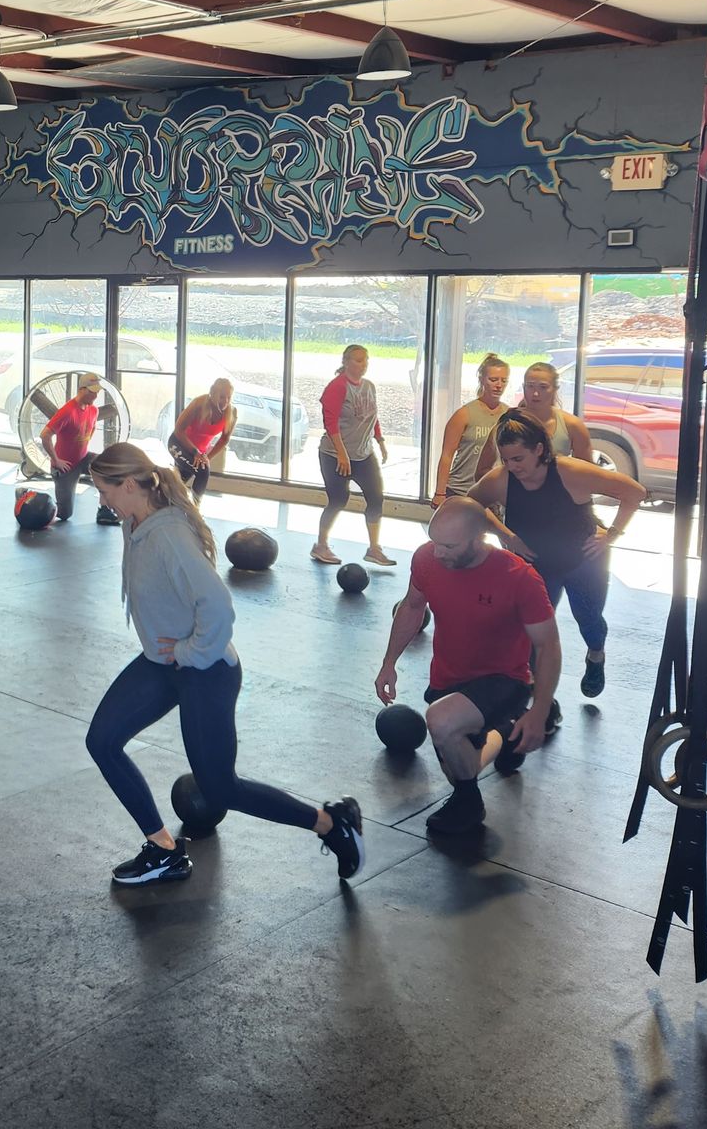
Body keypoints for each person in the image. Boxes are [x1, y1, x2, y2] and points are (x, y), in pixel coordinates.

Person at [83, 442, 365, 885]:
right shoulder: (135, 523)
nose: (101, 499)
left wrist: (187, 652)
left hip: (206, 671)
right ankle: (163, 851)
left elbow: (217, 606)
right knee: (102, 741)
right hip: (163, 664)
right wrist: (172, 652)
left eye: (105, 489)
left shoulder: (168, 535)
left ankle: (332, 822)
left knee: (219, 788)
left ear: (132, 484)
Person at [375, 499, 561, 835]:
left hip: (505, 679)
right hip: (449, 678)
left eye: (449, 545)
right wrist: (389, 662)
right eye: (435, 541)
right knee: (461, 763)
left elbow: (548, 645)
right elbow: (412, 607)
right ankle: (506, 735)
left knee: (442, 723)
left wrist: (541, 709)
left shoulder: (519, 578)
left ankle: (468, 804)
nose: (439, 552)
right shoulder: (427, 559)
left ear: (478, 539)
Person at [468, 409, 646, 700]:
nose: (512, 467)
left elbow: (634, 493)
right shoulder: (500, 479)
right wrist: (505, 534)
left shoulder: (570, 471)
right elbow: (469, 506)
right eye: (506, 459)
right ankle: (535, 694)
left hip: (583, 562)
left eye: (519, 459)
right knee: (531, 630)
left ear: (539, 449)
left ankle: (596, 656)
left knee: (588, 620)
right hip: (536, 566)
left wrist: (612, 534)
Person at [311, 344, 393, 567]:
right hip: (334, 454)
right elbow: (330, 423)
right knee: (338, 499)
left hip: (363, 453)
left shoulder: (369, 387)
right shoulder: (337, 387)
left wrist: (380, 441)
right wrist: (342, 454)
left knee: (376, 497)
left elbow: (371, 416)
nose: (362, 364)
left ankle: (374, 549)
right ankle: (320, 544)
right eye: (357, 360)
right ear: (346, 362)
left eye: (365, 360)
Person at [476, 362, 591, 477]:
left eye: (543, 387)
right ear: (523, 387)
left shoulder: (572, 425)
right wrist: (506, 484)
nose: (536, 393)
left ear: (555, 389)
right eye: (530, 386)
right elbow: (482, 471)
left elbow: (588, 474)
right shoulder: (507, 422)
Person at [432, 355, 508, 506]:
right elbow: (447, 455)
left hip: (491, 492)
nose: (499, 385)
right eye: (493, 380)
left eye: (503, 381)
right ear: (482, 379)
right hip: (461, 490)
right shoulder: (464, 415)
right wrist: (440, 493)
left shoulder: (508, 415)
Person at [40, 375, 102, 523]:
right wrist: (56, 460)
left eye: (97, 391)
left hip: (83, 458)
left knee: (108, 467)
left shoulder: (94, 410)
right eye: (92, 391)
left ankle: (105, 509)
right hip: (65, 466)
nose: (96, 395)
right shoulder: (67, 412)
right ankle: (29, 497)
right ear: (81, 390)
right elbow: (44, 435)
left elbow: (89, 431)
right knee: (65, 514)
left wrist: (82, 451)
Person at [167, 378, 237, 500]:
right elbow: (179, 429)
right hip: (178, 444)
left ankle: (159, 500)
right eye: (222, 397)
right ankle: (195, 510)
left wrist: (207, 457)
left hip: (198, 453)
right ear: (213, 393)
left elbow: (224, 439)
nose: (225, 401)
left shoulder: (231, 412)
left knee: (177, 485)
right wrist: (196, 453)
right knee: (203, 471)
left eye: (229, 397)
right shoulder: (199, 403)